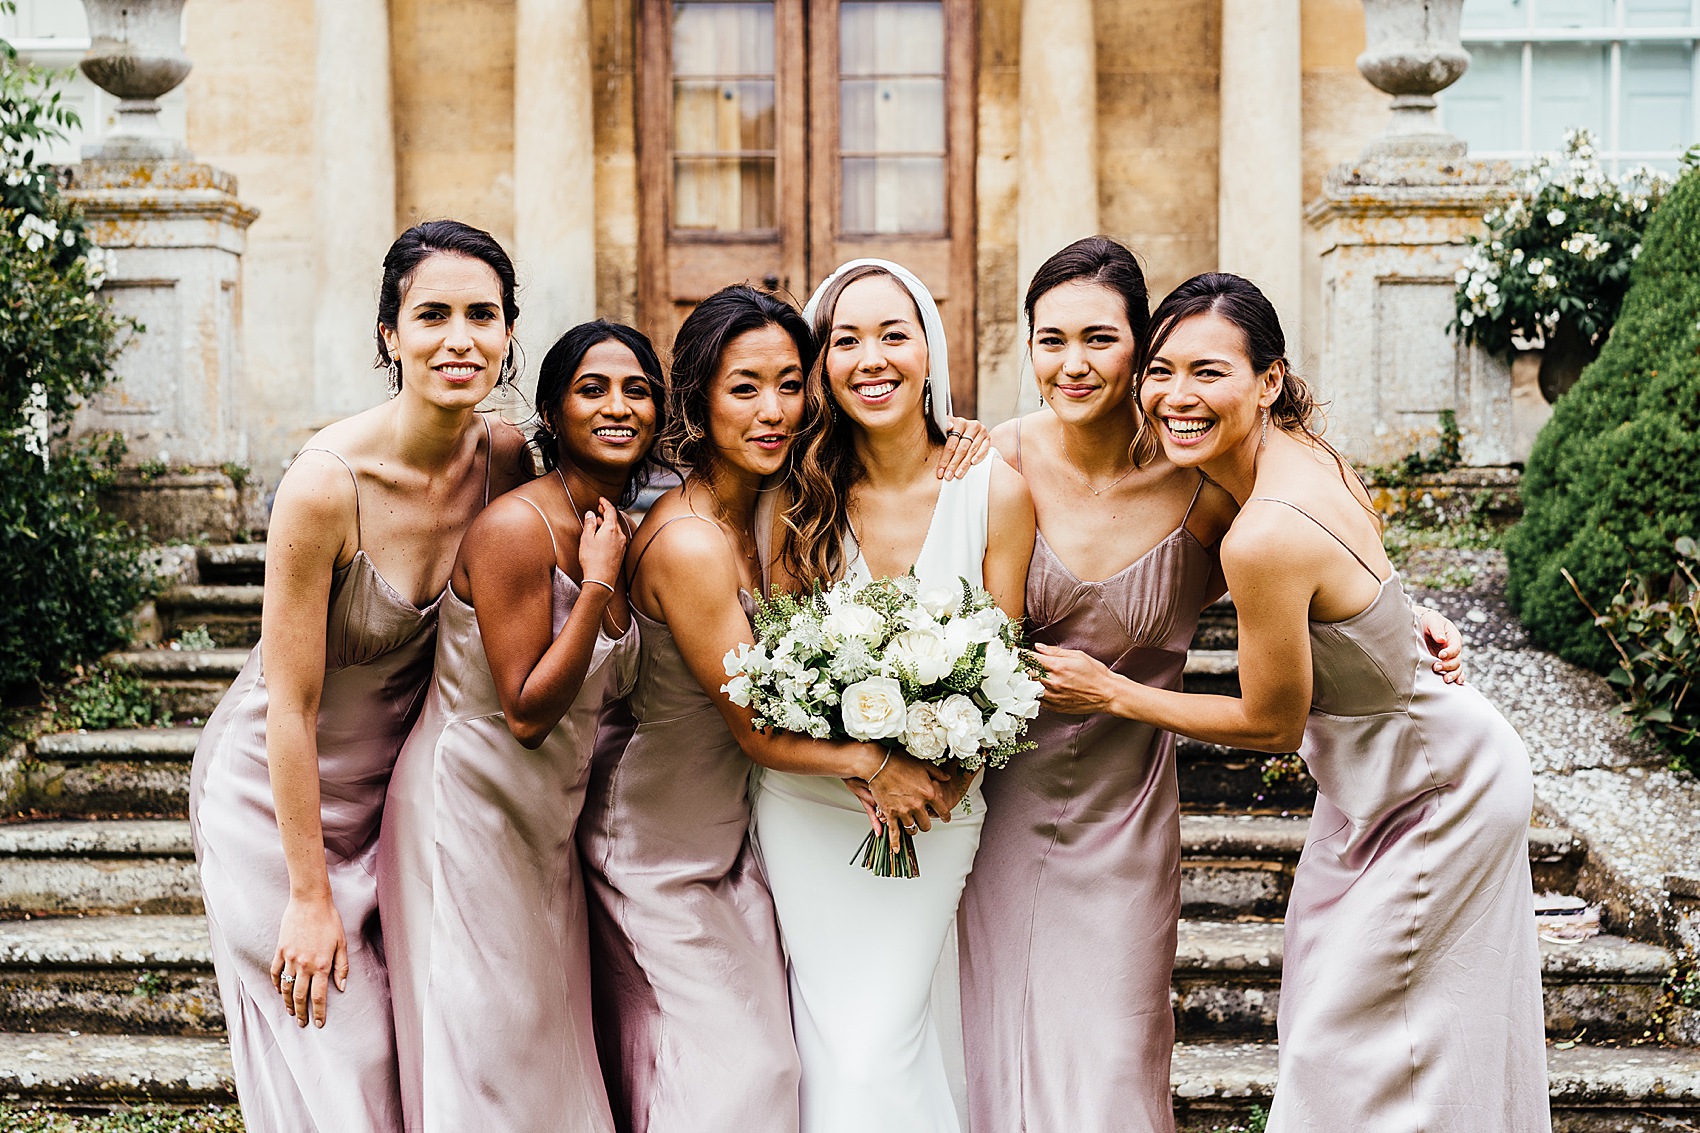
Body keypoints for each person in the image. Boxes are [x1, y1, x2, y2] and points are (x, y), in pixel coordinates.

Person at [1038, 272, 1550, 1133]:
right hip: (1385, 779)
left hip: (1435, 791)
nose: (1177, 396)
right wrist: (1408, 616)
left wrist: (1113, 690)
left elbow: (1271, 722)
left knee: (1348, 1049)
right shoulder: (1303, 448)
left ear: (1269, 379)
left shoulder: (1262, 531)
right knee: (1386, 1032)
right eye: (1161, 371)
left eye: (1210, 371)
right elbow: (1354, 585)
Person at [582, 284, 987, 1133]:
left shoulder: (772, 505)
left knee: (790, 1057)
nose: (775, 411)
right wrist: (880, 760)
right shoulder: (692, 540)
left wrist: (967, 433)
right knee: (745, 1070)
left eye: (791, 383)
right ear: (697, 399)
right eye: (744, 388)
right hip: (664, 837)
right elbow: (758, 727)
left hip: (740, 832)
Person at [189, 220, 533, 1132]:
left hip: (397, 803)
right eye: (432, 316)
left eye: (482, 316)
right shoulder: (323, 484)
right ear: (390, 334)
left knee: (422, 1041)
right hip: (277, 806)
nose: (459, 339)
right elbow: (290, 707)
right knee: (347, 1057)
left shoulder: (504, 462)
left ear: (507, 334)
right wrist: (307, 896)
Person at [756, 260, 1035, 1133]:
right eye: (845, 339)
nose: (870, 357)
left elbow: (1006, 668)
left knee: (882, 1036)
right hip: (812, 807)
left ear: (929, 351)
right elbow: (777, 679)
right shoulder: (794, 499)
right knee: (842, 1039)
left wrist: (946, 777)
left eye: (893, 333)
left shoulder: (995, 489)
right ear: (822, 365)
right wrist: (868, 768)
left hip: (937, 811)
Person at [377, 320, 668, 1132]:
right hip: (466, 806)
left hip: (546, 817)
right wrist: (601, 586)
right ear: (551, 411)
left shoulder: (619, 522)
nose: (618, 406)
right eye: (592, 388)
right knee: (483, 1046)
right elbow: (528, 710)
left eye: (637, 389)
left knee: (542, 1035)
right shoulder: (517, 528)